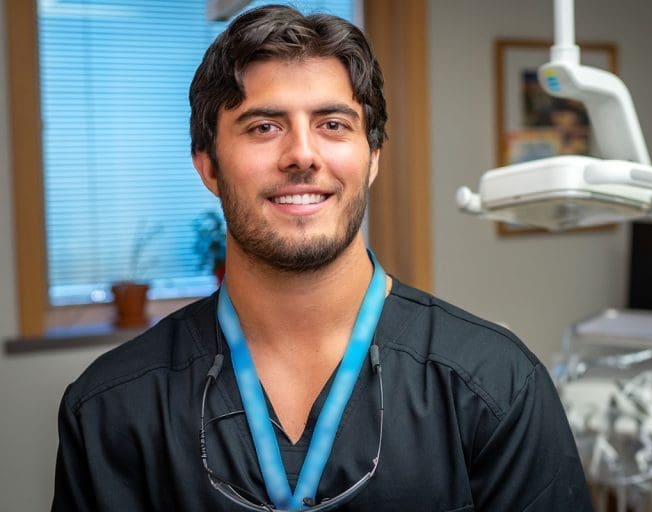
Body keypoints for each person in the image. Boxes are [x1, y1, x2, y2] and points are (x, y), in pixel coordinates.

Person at [52, 5, 593, 511]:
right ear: (209, 167)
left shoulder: (494, 385)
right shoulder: (113, 407)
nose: (303, 155)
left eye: (333, 124)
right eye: (264, 127)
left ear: (372, 158)